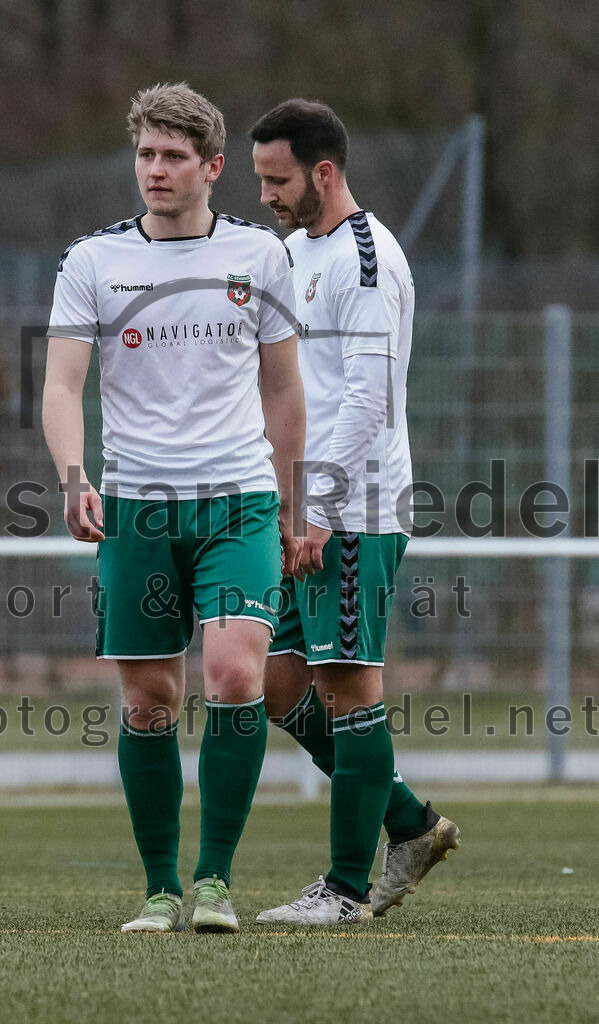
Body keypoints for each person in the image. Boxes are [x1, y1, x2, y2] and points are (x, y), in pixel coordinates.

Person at [43, 83, 304, 934]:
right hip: (137, 508)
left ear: (211, 167)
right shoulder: (92, 262)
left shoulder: (260, 258)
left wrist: (295, 499)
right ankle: (159, 890)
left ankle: (215, 883)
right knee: (151, 700)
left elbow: (282, 385)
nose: (154, 171)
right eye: (145, 154)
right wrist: (74, 473)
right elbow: (61, 383)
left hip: (238, 499)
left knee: (234, 675)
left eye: (172, 157)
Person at [249, 98, 459, 926]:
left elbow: (365, 400)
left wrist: (321, 512)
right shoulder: (295, 249)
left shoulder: (366, 261)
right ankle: (406, 820)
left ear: (323, 172)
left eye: (277, 178)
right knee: (274, 683)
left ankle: (342, 890)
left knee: (345, 688)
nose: (265, 193)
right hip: (298, 507)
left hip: (354, 510)